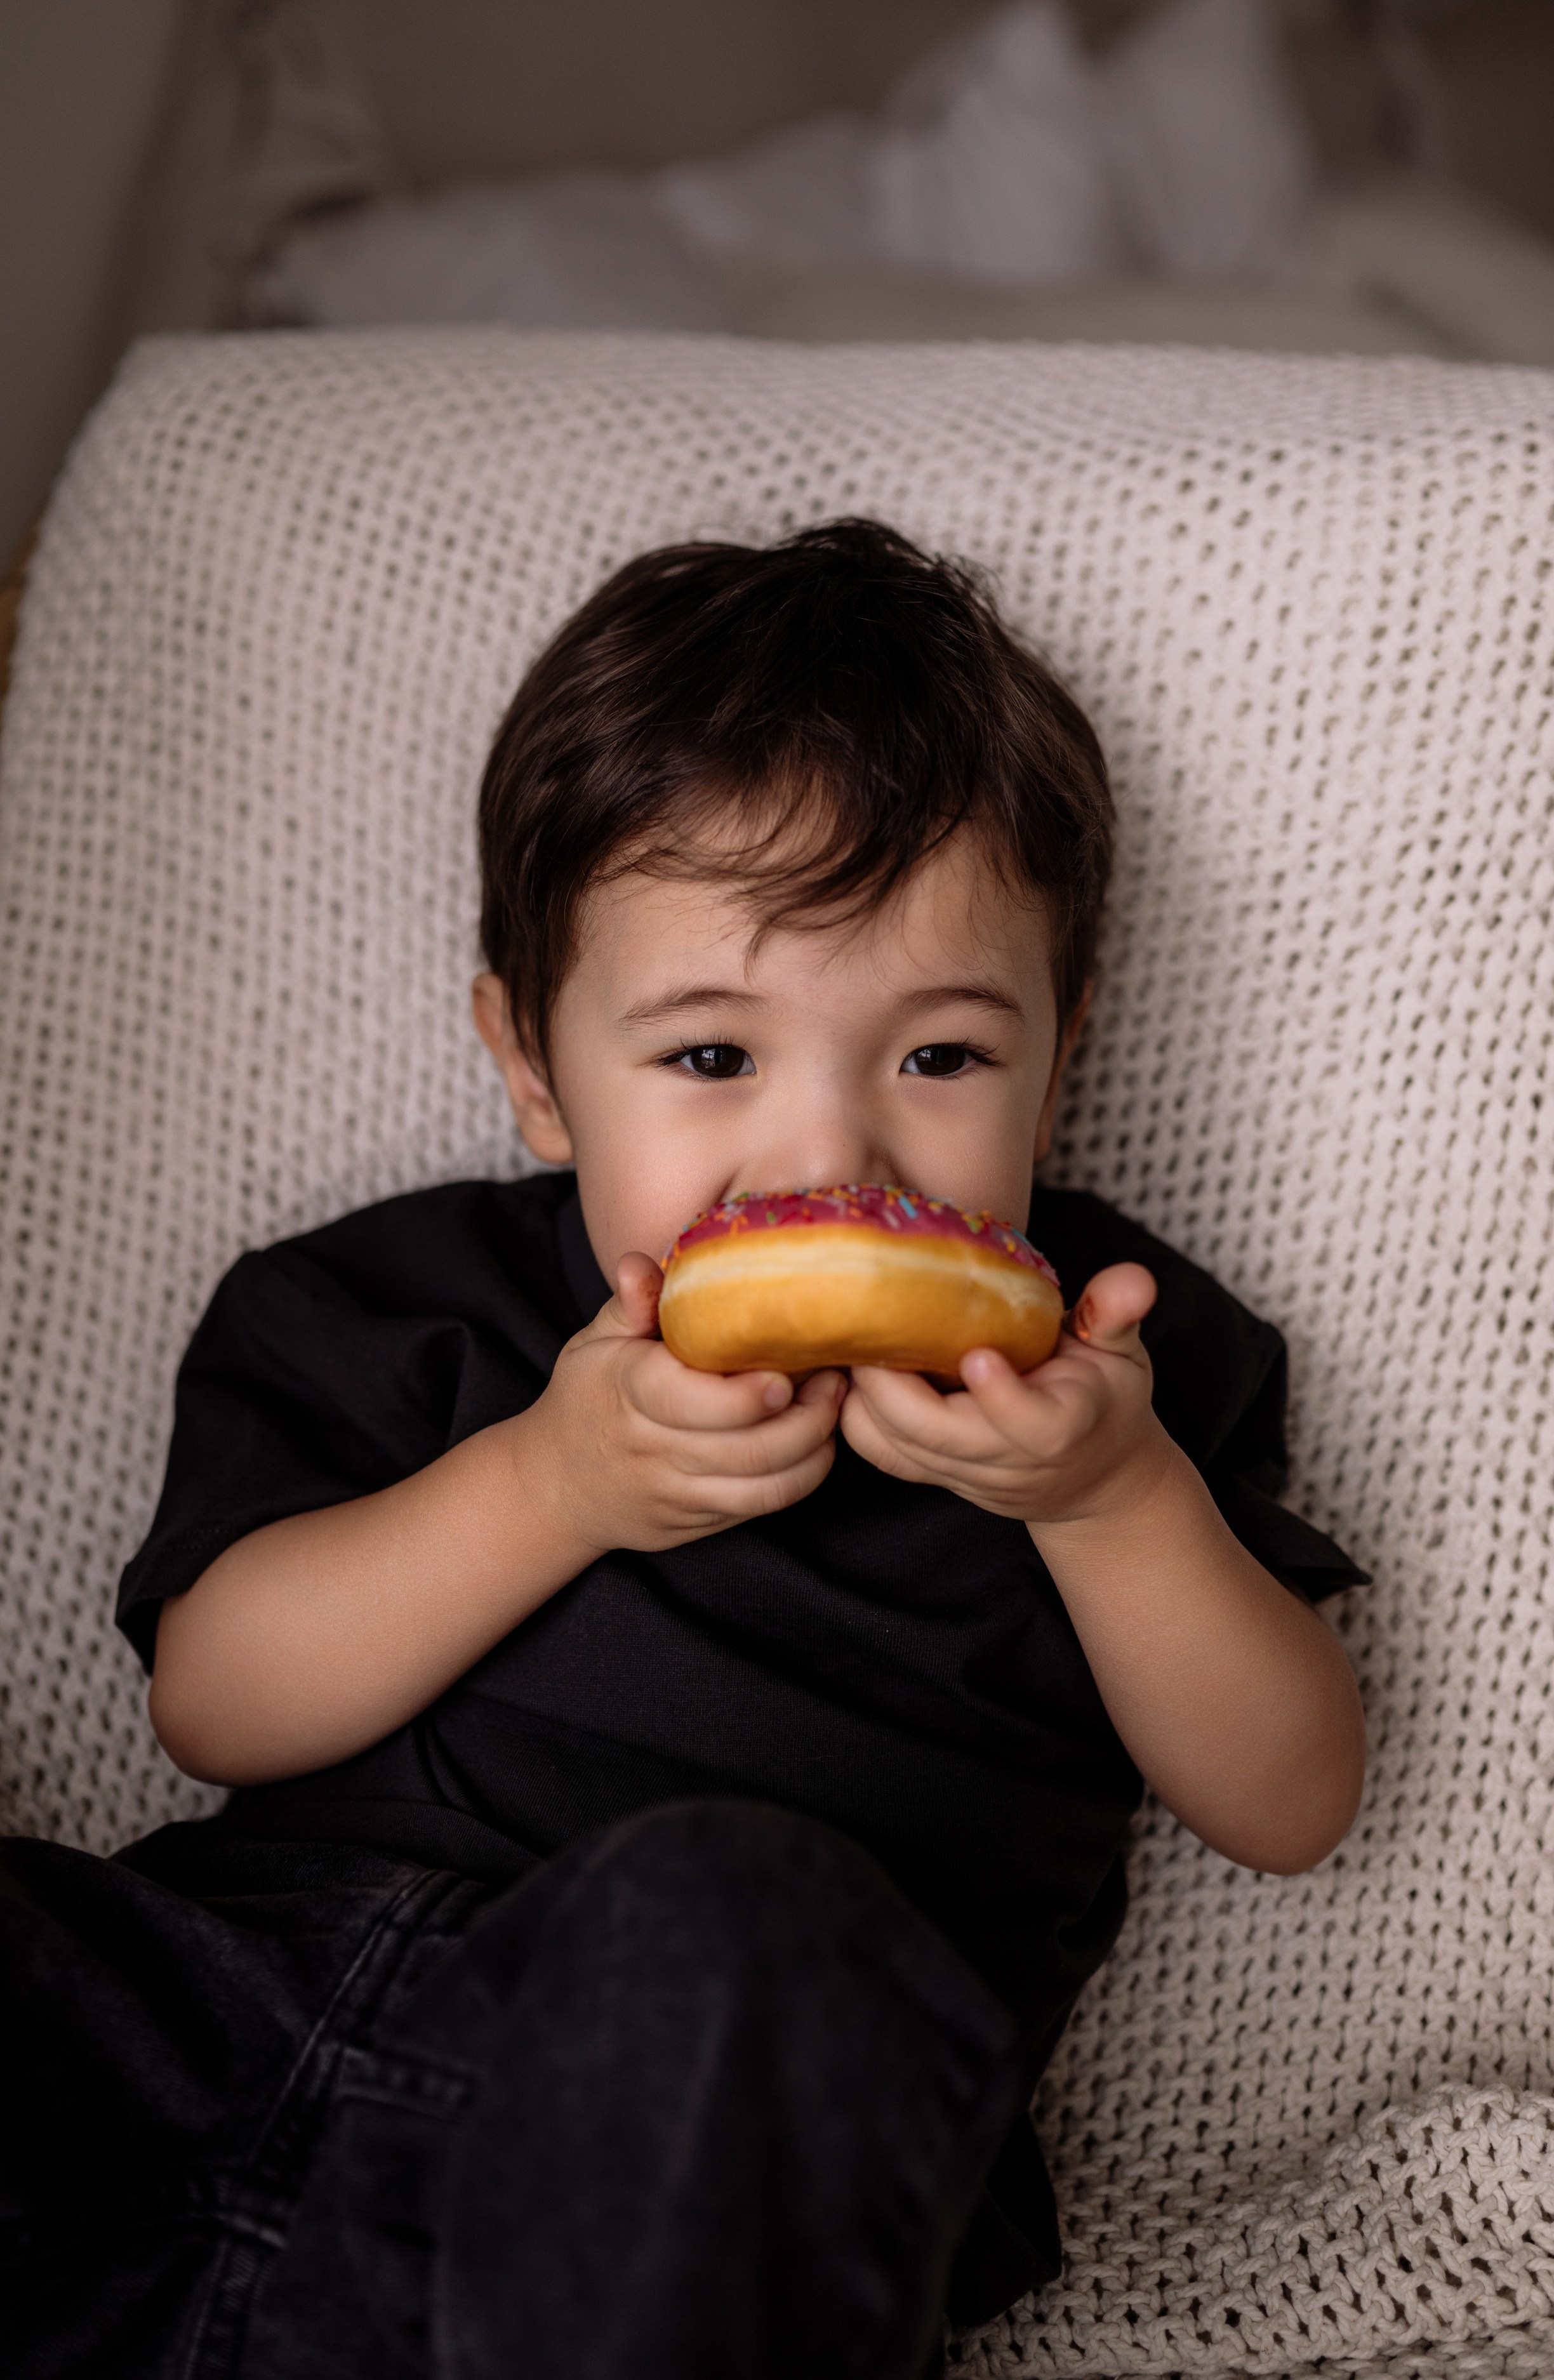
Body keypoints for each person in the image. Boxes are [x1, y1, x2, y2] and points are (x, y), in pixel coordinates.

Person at [2, 519, 1367, 2380]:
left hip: (696, 2121)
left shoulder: (1129, 1370)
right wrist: (547, 1483)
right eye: (713, 1058)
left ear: (1064, 1057)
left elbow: (1291, 1801)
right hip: (225, 2013)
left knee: (737, 1924)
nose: (829, 1159)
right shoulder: (394, 1300)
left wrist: (1113, 1505)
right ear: (537, 1069)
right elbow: (217, 1708)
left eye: (943, 1058)